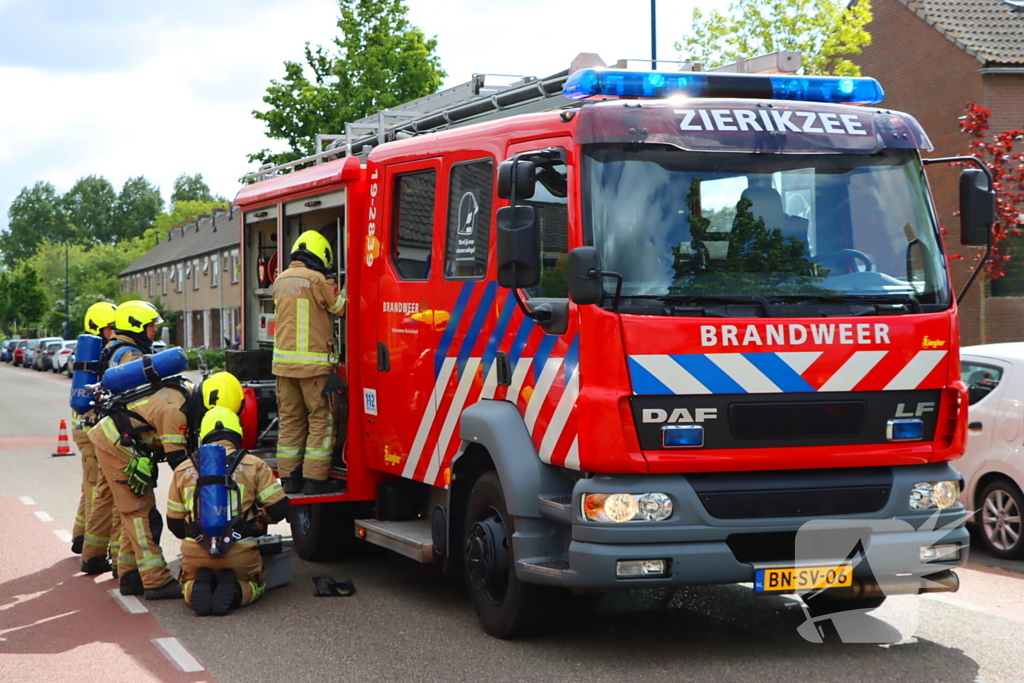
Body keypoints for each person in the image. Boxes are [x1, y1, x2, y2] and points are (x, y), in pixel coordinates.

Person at [167, 406, 289, 616]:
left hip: (196, 552)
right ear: (237, 432)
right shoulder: (254, 464)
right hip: (239, 552)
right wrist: (262, 518)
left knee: (186, 581)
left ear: (203, 434)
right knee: (257, 583)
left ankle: (193, 588)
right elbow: (279, 508)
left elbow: (175, 526)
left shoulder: (182, 469)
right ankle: (236, 591)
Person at [271, 230, 346, 495]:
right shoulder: (317, 279)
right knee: (321, 420)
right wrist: (346, 285)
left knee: (290, 421)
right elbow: (340, 308)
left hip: (283, 367)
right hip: (314, 368)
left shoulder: (279, 280)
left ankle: (290, 479)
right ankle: (315, 480)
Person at [72, 302, 118, 568]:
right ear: (99, 328)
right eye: (110, 327)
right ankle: (95, 547)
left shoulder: (87, 354)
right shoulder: (99, 357)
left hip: (82, 428)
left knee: (88, 484)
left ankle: (80, 537)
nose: (114, 332)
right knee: (96, 492)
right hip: (91, 430)